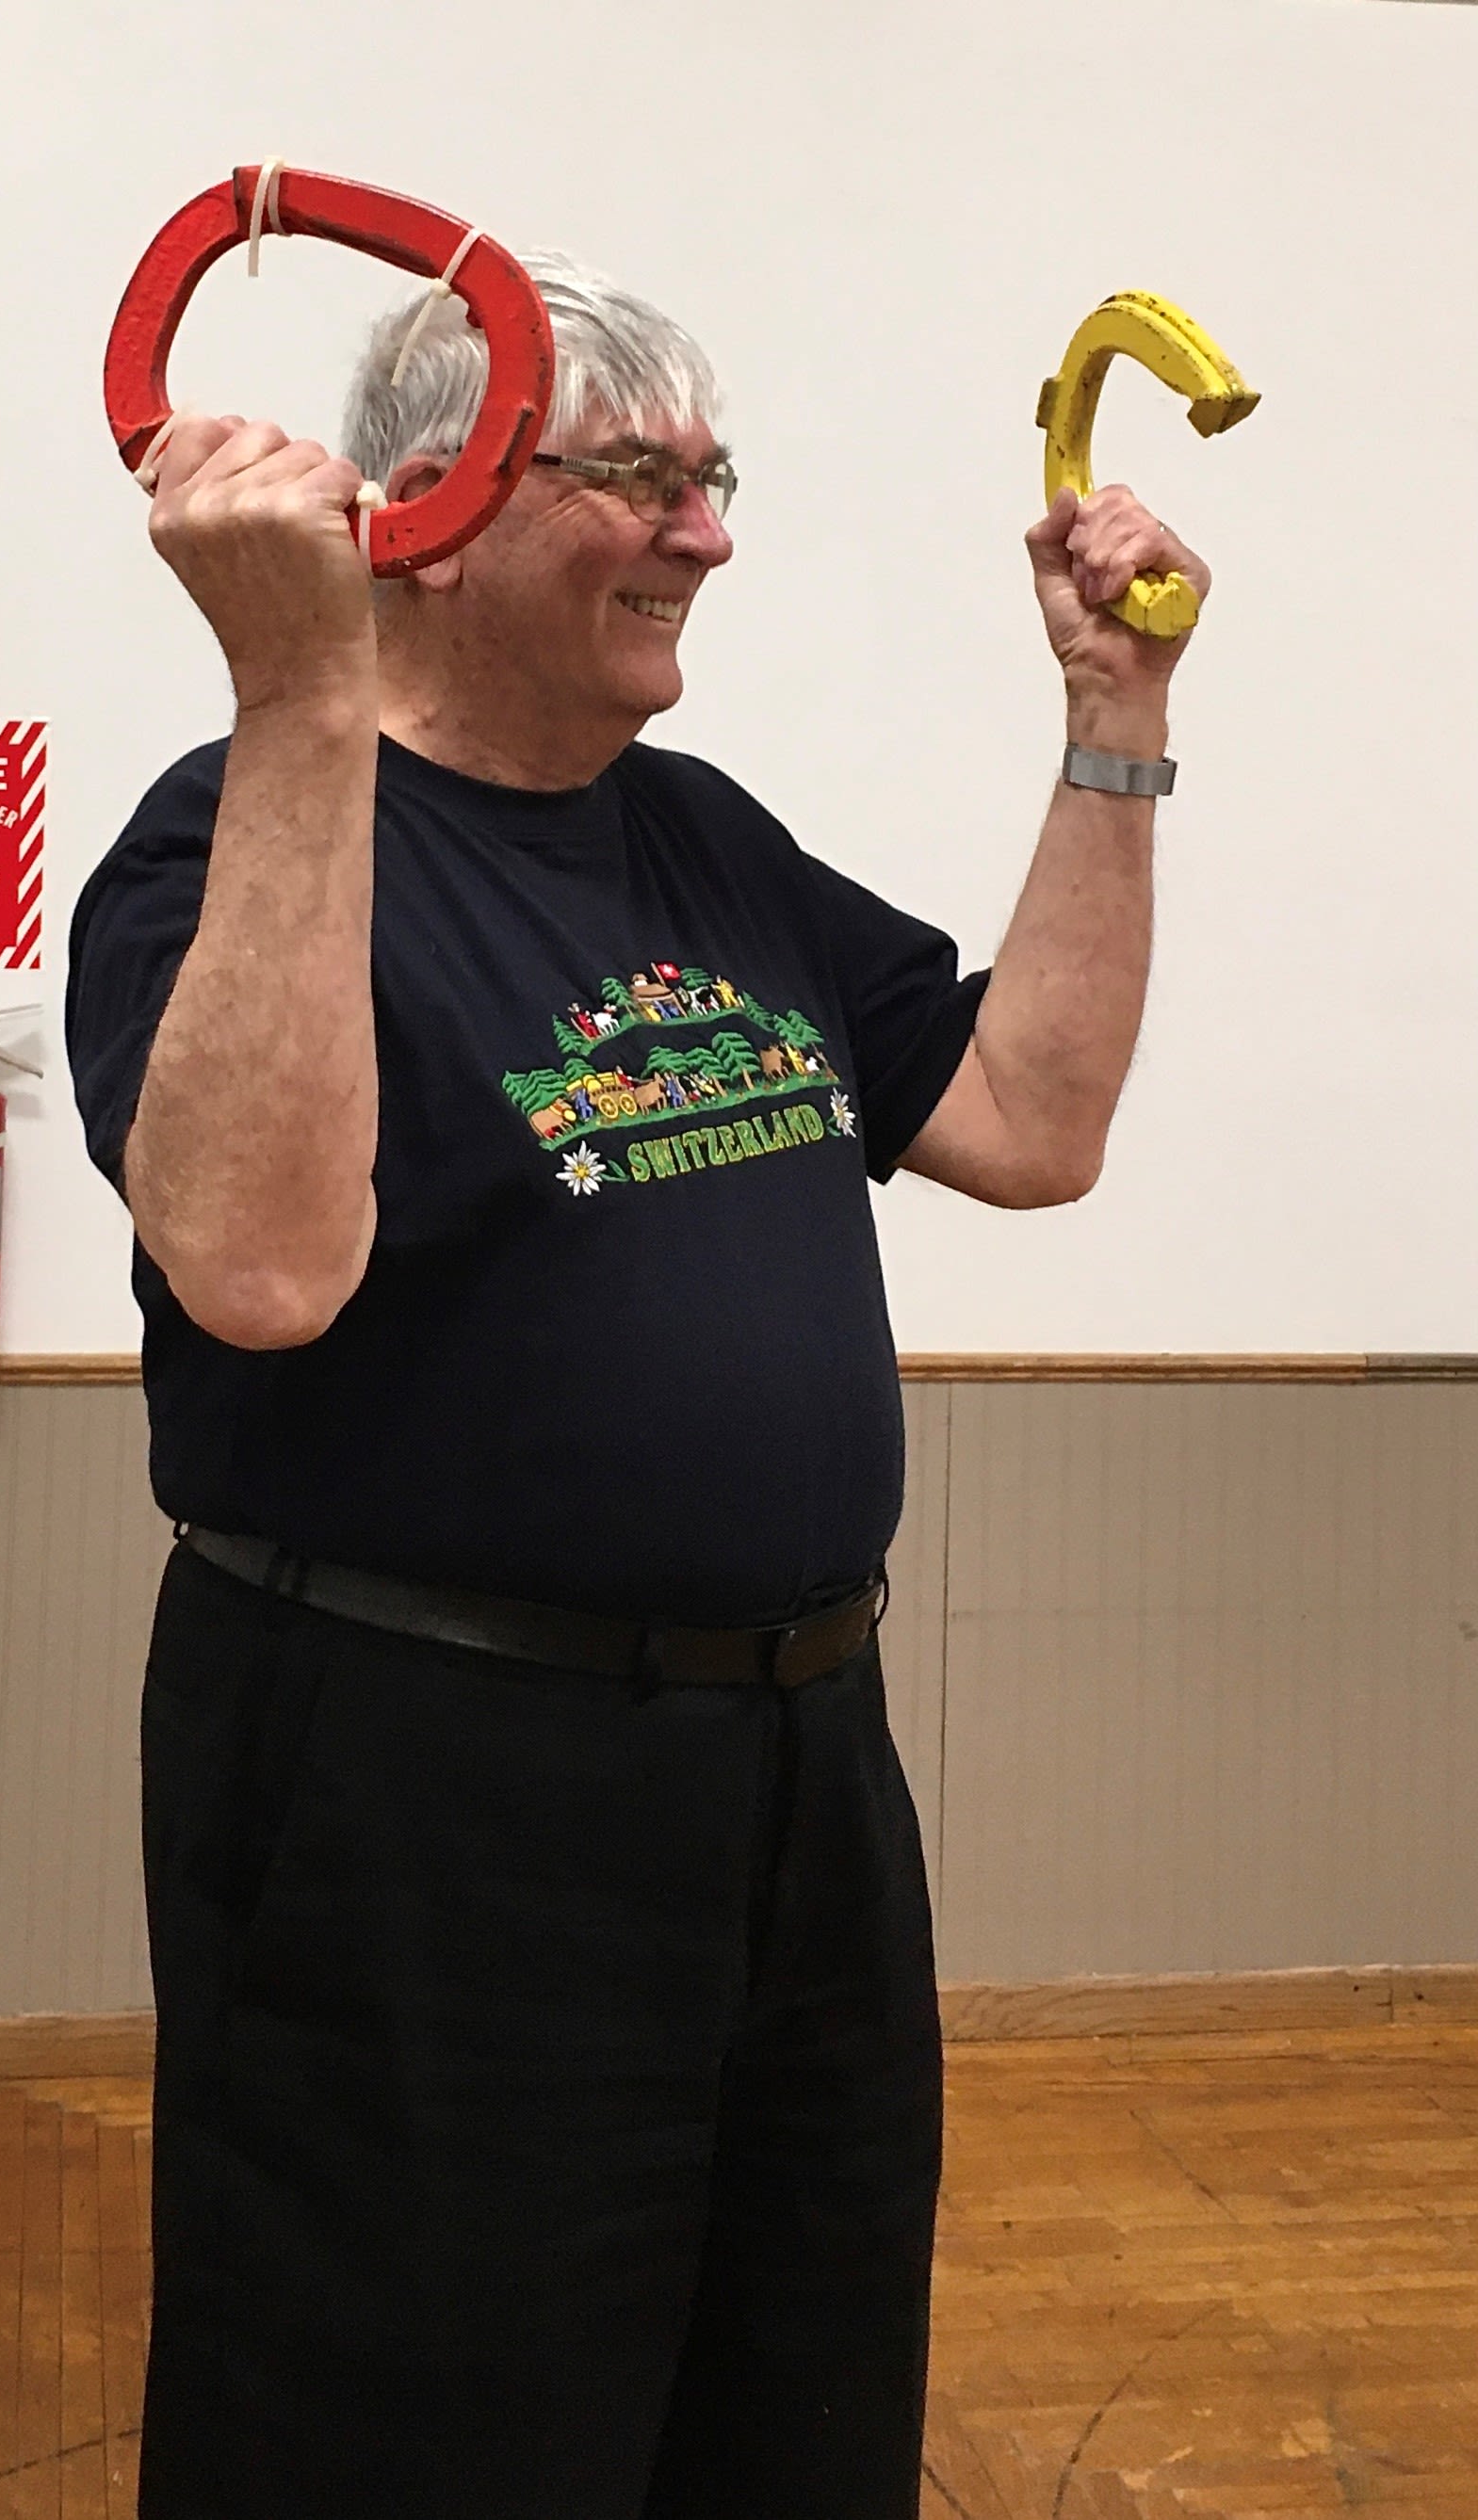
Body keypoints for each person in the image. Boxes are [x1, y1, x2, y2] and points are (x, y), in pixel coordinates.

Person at [65, 252, 1207, 2520]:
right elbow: (263, 1271)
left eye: (714, 479)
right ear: (426, 511)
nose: (705, 534)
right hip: (420, 1789)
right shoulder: (223, 838)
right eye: (635, 478)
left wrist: (1115, 722)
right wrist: (303, 696)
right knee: (409, 2425)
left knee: (787, 2390)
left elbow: (1024, 1122)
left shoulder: (699, 838)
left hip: (792, 1781)